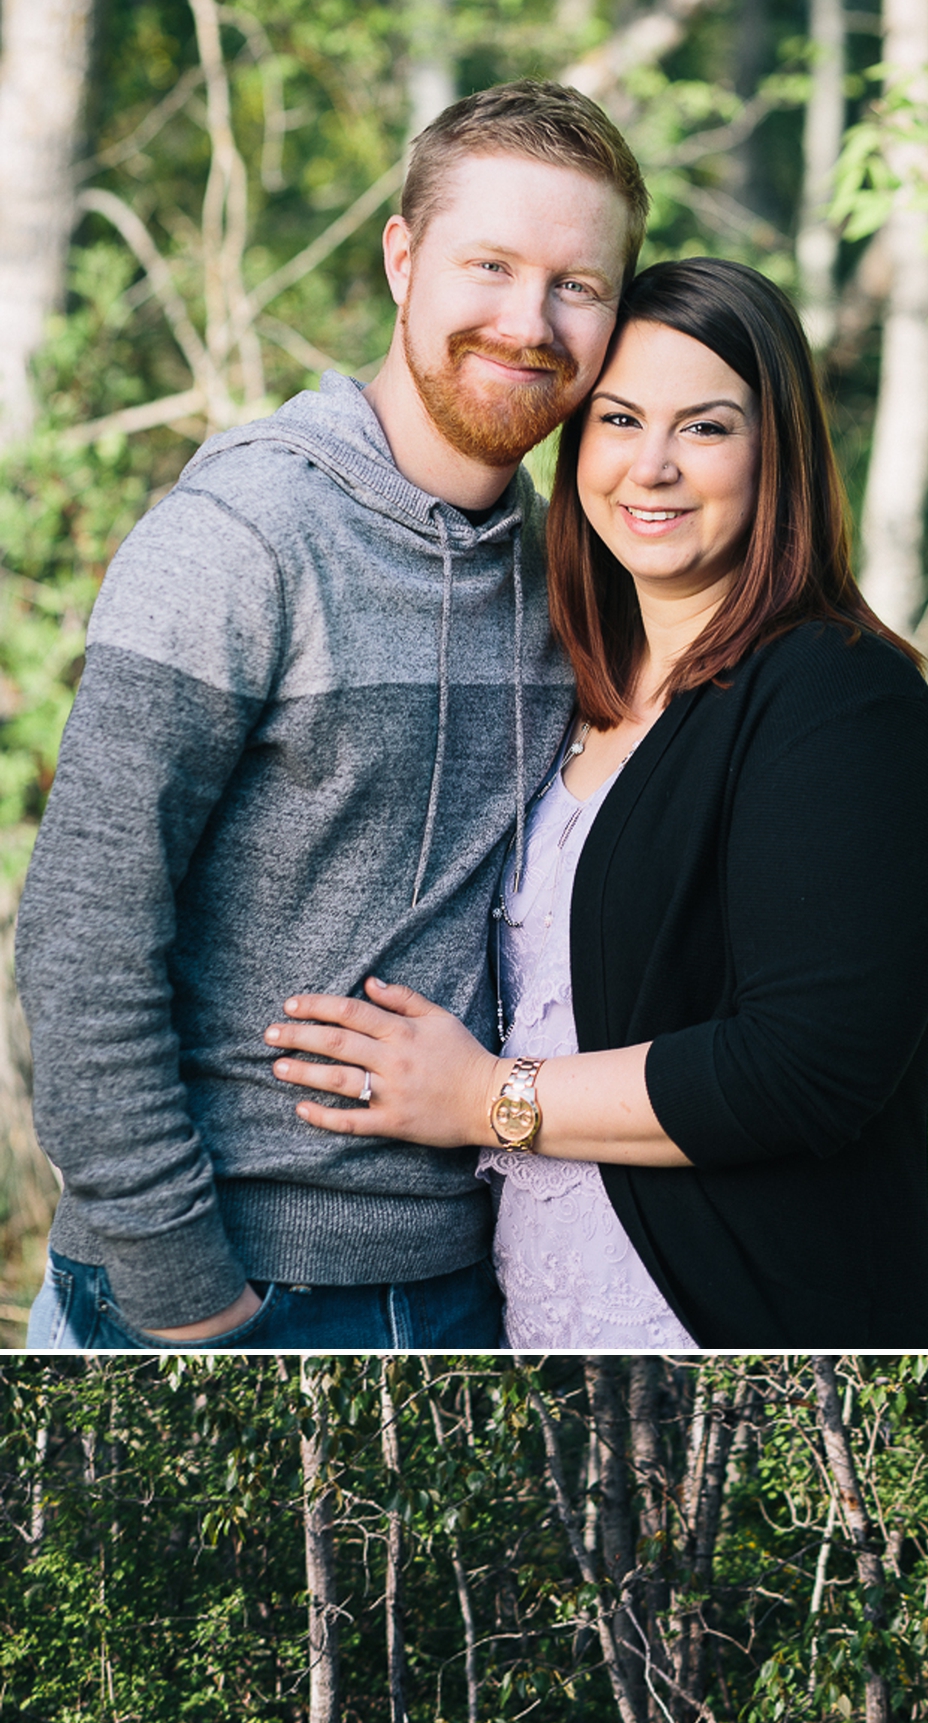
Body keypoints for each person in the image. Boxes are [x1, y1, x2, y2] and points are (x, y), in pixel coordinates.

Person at [20, 81, 646, 1351]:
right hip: (228, 1281)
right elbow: (82, 930)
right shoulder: (241, 538)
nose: (529, 322)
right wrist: (183, 1292)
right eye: (490, 264)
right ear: (402, 260)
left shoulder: (572, 575)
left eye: (577, 285)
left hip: (472, 1279)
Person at [261, 258, 928, 1351]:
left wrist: (486, 1096)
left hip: (737, 1332)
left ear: (777, 450)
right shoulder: (573, 681)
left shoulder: (839, 700)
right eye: (620, 417)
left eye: (707, 428)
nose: (653, 466)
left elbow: (806, 1068)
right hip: (535, 1318)